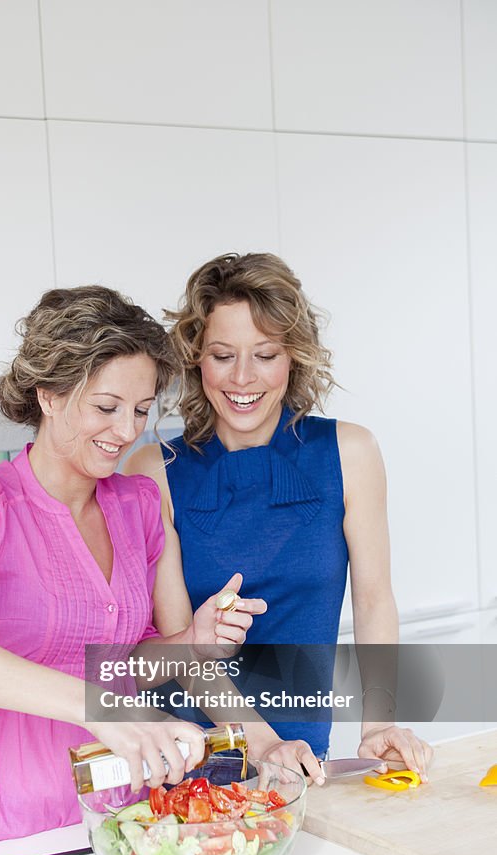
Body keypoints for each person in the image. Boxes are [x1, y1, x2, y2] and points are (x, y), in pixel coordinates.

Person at [0, 285, 268, 855]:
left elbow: (119, 661)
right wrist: (100, 707)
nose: (126, 430)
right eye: (106, 407)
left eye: (141, 410)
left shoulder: (135, 506)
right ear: (50, 396)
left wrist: (191, 642)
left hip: (118, 822)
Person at [125, 252, 433, 784]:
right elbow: (181, 647)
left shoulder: (349, 452)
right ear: (198, 359)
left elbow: (375, 599)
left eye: (265, 354)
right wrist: (263, 744)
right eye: (222, 355)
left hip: (302, 760)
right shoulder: (155, 470)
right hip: (188, 760)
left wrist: (379, 723)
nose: (243, 378)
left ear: (293, 357)